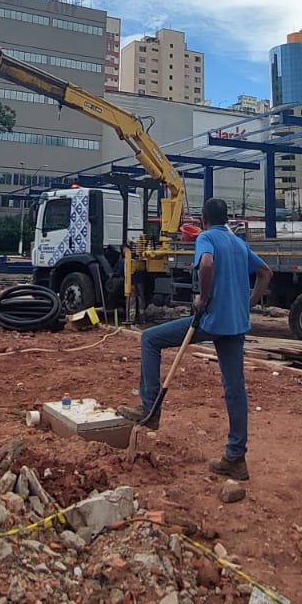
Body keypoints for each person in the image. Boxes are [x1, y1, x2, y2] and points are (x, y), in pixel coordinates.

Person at [118, 197, 272, 482]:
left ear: (203, 219)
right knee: (235, 388)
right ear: (226, 218)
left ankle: (150, 407)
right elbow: (265, 273)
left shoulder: (206, 238)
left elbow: (208, 264)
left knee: (150, 340)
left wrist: (203, 296)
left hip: (211, 320)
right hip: (235, 324)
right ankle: (236, 458)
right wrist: (246, 303)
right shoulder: (239, 242)